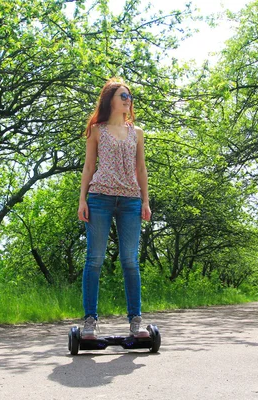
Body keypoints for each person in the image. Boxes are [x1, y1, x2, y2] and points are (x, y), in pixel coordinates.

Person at [78, 77, 152, 339]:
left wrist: (145, 200)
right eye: (122, 95)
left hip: (131, 200)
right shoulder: (96, 131)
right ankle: (90, 321)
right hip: (100, 198)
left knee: (130, 261)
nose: (127, 100)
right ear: (110, 99)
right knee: (94, 259)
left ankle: (136, 321)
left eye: (129, 96)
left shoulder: (138, 133)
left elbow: (141, 169)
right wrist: (82, 200)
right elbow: (88, 167)